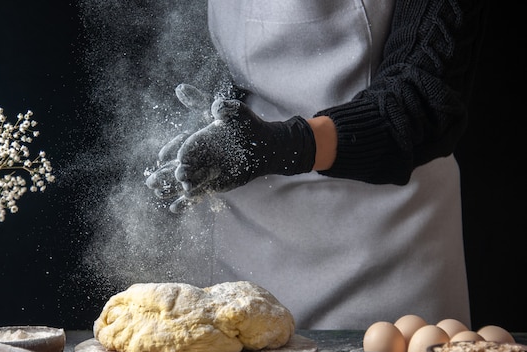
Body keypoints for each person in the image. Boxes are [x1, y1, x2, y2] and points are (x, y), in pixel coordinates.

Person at [146, 0, 487, 329]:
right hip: (251, 237)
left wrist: (284, 145)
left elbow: (422, 102)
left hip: (387, 241)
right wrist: (218, 125)